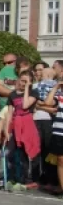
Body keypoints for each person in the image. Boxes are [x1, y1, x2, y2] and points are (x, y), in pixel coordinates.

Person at [6, 70, 41, 191]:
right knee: (11, 153)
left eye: (26, 81)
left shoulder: (34, 92)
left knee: (24, 154)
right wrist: (6, 130)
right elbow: (9, 113)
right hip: (15, 125)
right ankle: (11, 177)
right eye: (22, 80)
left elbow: (25, 105)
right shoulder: (12, 95)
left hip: (27, 125)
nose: (23, 83)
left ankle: (24, 178)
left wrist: (27, 88)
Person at [42, 61, 63, 194]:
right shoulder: (60, 95)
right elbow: (48, 103)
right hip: (59, 131)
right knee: (61, 160)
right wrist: (56, 87)